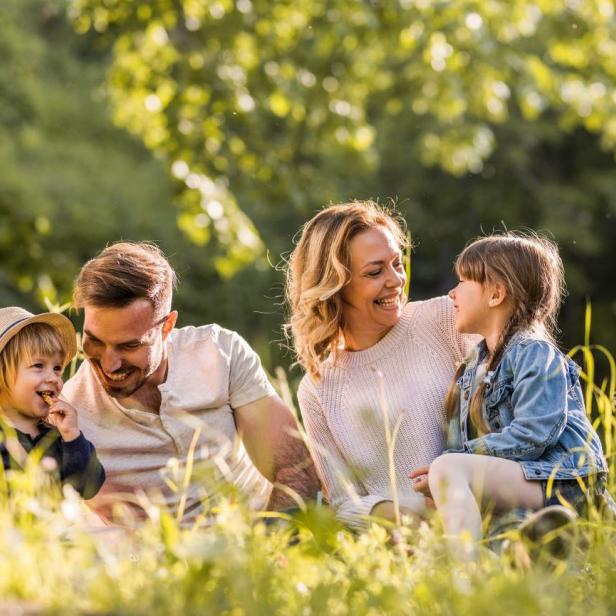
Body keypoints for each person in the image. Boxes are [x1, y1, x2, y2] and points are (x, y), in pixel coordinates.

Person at [62, 241, 320, 522]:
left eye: (130, 346)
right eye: (94, 341)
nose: (110, 363)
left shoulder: (221, 353)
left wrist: (268, 550)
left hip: (258, 538)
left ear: (167, 327)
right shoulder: (69, 416)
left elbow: (295, 470)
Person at [411, 233, 609, 560]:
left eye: (462, 281)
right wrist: (444, 478)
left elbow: (535, 432)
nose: (452, 292)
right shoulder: (473, 367)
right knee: (501, 535)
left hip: (564, 479)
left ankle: (465, 578)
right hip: (527, 485)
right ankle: (537, 548)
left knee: (448, 468)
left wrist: (448, 468)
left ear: (496, 294)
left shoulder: (534, 352)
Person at [285, 201, 478, 531]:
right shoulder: (317, 389)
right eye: (375, 272)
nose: (395, 280)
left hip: (487, 511)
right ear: (335, 285)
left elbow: (507, 405)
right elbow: (344, 502)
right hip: (409, 545)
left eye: (397, 264)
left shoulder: (447, 318)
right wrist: (421, 520)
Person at [0, 307, 105, 499]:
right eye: (39, 366)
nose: (53, 378)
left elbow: (88, 487)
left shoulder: (57, 437)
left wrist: (72, 436)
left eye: (57, 368)